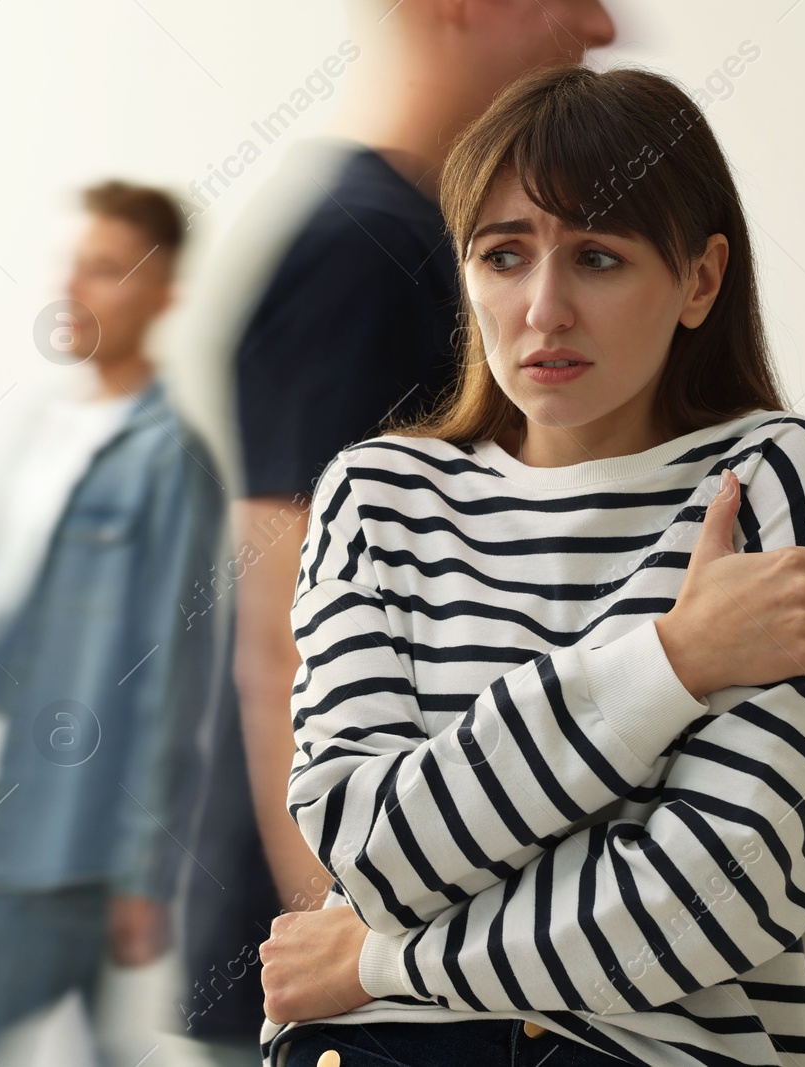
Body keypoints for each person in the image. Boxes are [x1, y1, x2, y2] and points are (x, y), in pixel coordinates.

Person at [256, 63, 805, 1067]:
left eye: (596, 257)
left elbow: (717, 896)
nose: (543, 309)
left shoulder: (770, 474)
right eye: (503, 257)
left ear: (699, 279)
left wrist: (380, 963)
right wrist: (673, 659)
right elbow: (369, 847)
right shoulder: (376, 494)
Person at [173, 3, 617, 1062]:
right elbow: (283, 630)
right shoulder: (358, 256)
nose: (600, 26)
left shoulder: (432, 246)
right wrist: (355, 964)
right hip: (352, 969)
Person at [0, 179, 229, 1067]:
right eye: (74, 265)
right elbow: (0, 629)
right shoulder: (44, 438)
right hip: (27, 819)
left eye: (105, 269)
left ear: (163, 294)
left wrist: (144, 871)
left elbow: (171, 680)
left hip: (75, 852)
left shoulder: (169, 461)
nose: (74, 289)